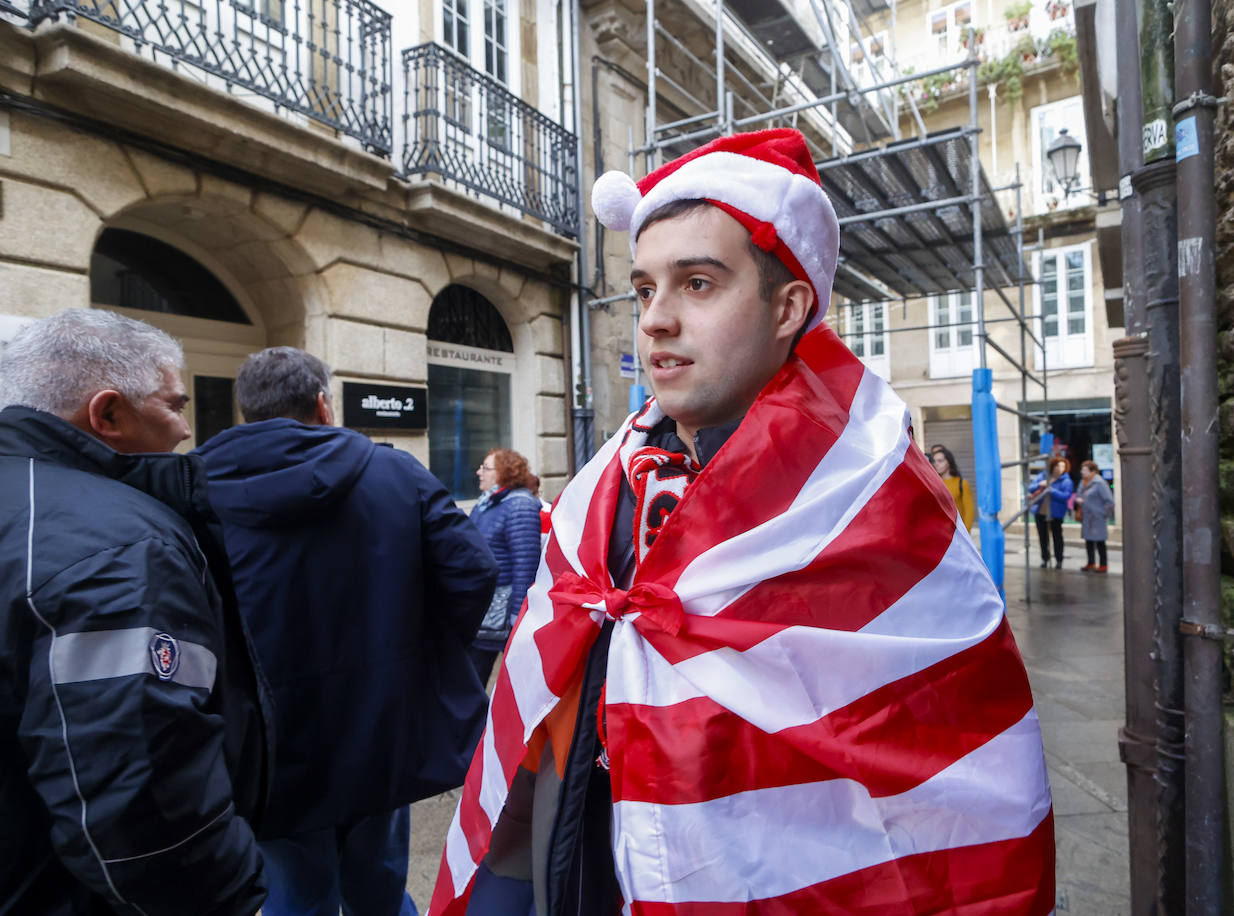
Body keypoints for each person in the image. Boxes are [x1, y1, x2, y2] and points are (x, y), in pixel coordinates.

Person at [429, 129, 1054, 915]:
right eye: (644, 288)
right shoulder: (600, 491)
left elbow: (949, 774)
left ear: (788, 306)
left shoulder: (874, 504)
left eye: (696, 283)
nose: (655, 319)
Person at [194, 347, 497, 916]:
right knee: (378, 887)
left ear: (245, 411)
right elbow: (472, 571)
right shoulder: (392, 470)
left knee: (294, 893)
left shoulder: (192, 486)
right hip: (375, 723)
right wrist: (421, 648)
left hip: (265, 741)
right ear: (323, 405)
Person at [0, 308, 270, 913]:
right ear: (109, 414)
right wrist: (230, 892)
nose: (184, 430)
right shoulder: (118, 543)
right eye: (175, 405)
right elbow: (140, 798)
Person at [469, 447, 543, 685]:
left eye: (486, 468)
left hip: (504, 615)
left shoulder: (519, 506)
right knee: (474, 680)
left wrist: (517, 617)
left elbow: (526, 564)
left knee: (518, 684)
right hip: (483, 610)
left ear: (504, 473)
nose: (479, 472)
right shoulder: (485, 505)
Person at [1028, 455, 1074, 568]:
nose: (1060, 468)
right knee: (1043, 538)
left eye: (1063, 466)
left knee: (1057, 537)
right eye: (1058, 465)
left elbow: (1065, 496)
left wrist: (1051, 490)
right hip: (1040, 511)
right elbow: (1030, 487)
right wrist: (1040, 484)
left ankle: (1059, 560)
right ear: (1053, 466)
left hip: (1056, 513)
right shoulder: (1043, 476)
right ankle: (1045, 559)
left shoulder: (1067, 481)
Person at [1076, 460, 1115, 572]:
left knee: (1100, 542)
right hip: (1087, 517)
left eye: (1084, 470)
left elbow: (1109, 502)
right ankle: (1091, 562)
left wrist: (1102, 513)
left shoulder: (1100, 483)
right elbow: (1079, 495)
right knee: (1088, 541)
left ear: (1092, 471)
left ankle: (1103, 565)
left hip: (1097, 517)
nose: (1082, 472)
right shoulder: (1083, 483)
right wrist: (1079, 501)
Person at [930, 443, 976, 530]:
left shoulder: (962, 483)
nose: (936, 464)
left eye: (940, 461)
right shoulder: (932, 483)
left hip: (956, 533)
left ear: (949, 462)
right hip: (938, 533)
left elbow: (969, 511)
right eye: (934, 461)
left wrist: (966, 534)